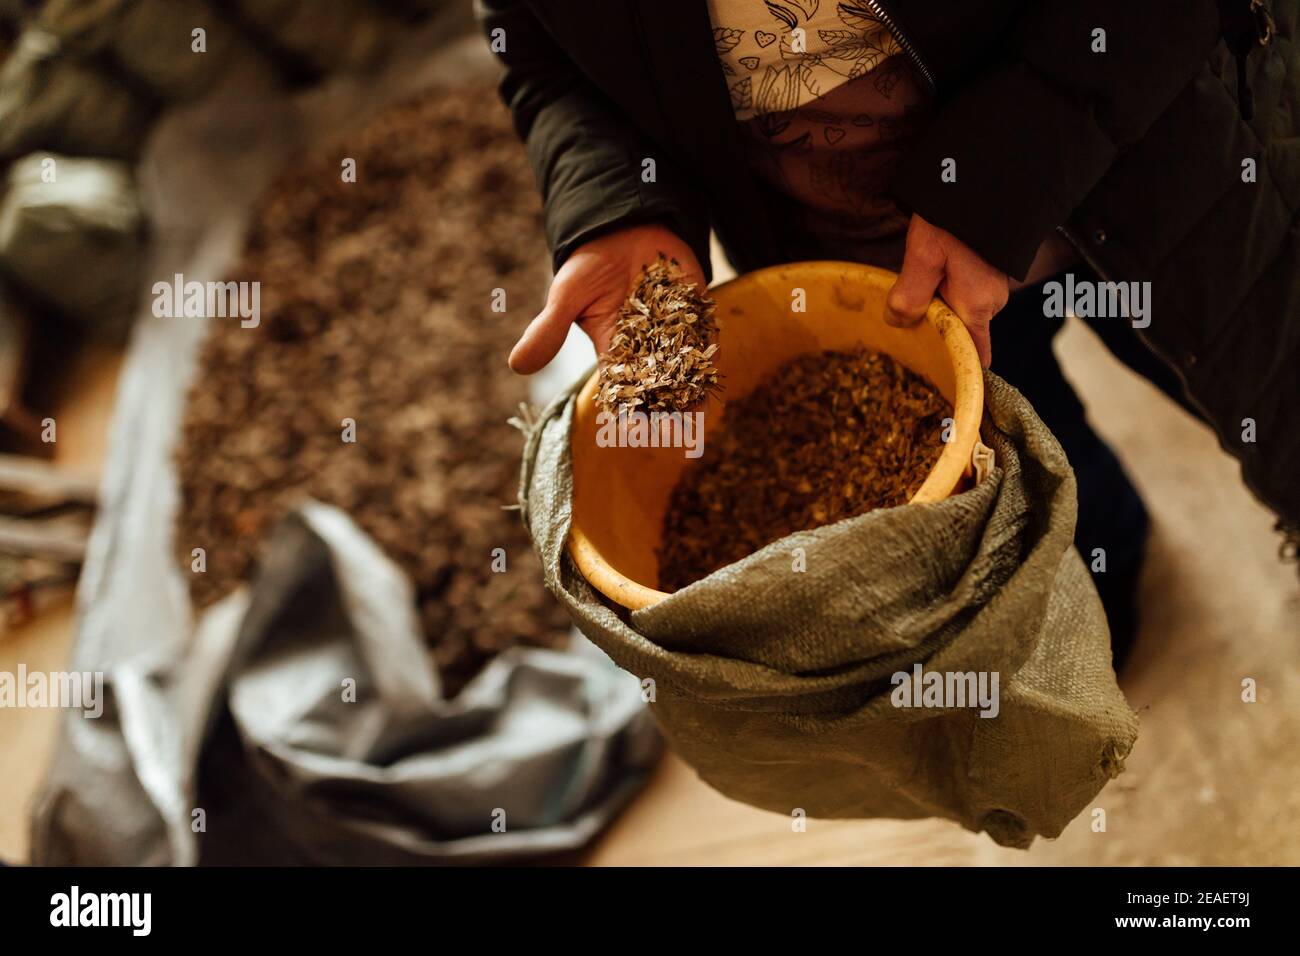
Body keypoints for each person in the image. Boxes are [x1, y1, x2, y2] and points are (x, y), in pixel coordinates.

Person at [478, 0, 1299, 666]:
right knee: (1014, 436)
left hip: (1145, 156)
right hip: (870, 262)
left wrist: (998, 178)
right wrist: (616, 205)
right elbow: (543, 54)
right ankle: (1099, 559)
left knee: (1253, 372)